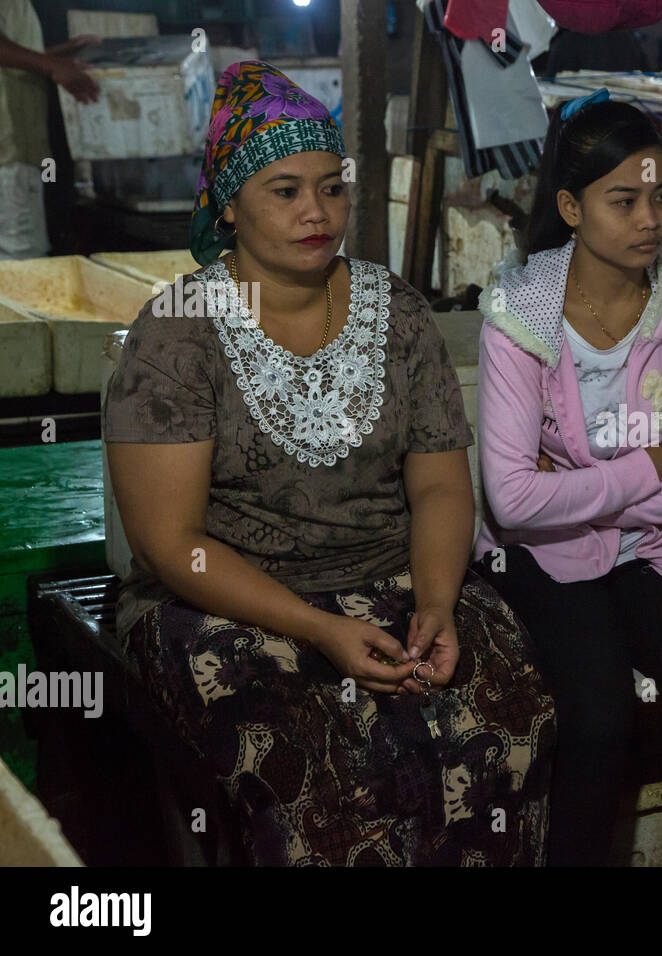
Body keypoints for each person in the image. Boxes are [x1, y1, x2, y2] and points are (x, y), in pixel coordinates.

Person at [102, 60, 554, 866]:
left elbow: (443, 483)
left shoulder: (401, 314)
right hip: (226, 600)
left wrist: (440, 605)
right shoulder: (178, 334)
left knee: (503, 719)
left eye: (332, 186)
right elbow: (172, 544)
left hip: (391, 576)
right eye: (285, 191)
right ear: (229, 204)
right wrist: (318, 628)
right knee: (320, 763)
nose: (318, 212)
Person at [471, 91, 662, 867]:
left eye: (661, 196)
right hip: (544, 561)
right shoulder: (519, 313)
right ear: (570, 206)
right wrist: (640, 468)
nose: (649, 220)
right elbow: (509, 502)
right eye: (624, 200)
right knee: (598, 723)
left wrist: (572, 489)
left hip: (654, 549)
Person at [0, 0, 99, 259]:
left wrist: (55, 55)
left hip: (16, 146)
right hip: (8, 152)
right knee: (21, 262)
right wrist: (53, 65)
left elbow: (13, 54)